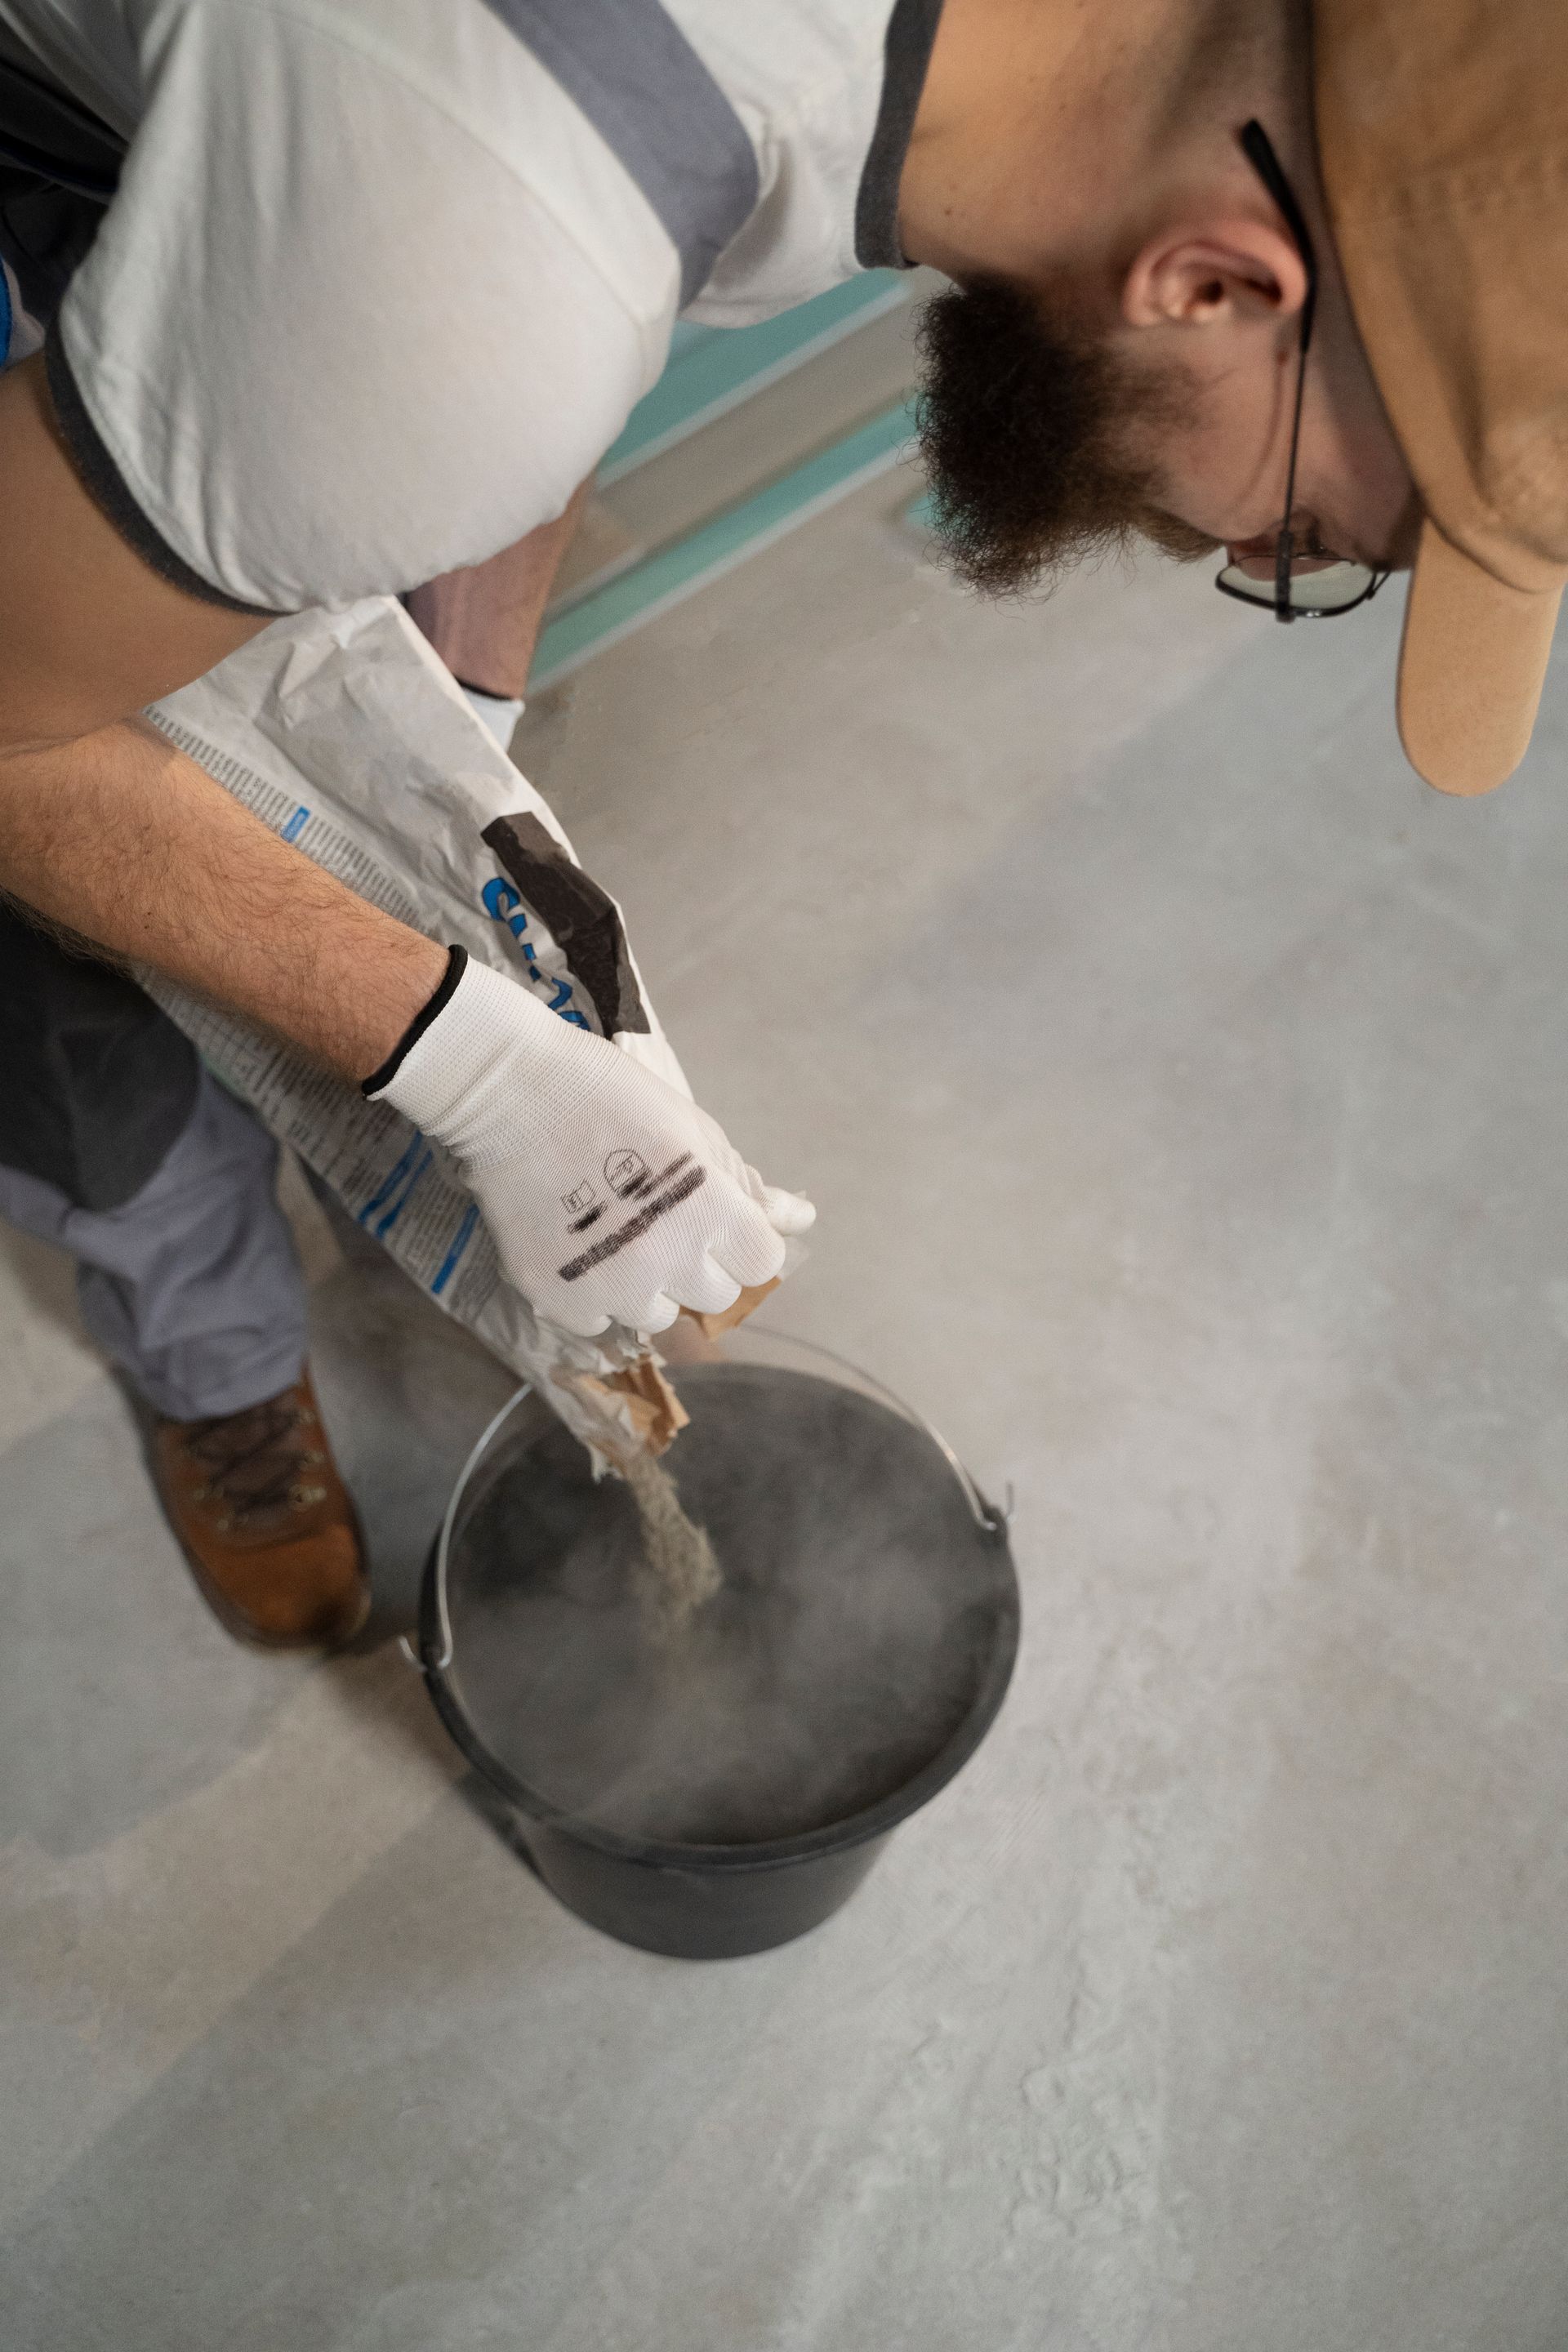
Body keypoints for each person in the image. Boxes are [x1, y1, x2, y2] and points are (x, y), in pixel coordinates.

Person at [0, 0, 1554, 1647]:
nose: (1233, 548)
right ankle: (217, 1365)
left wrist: (459, 736)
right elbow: (495, 302)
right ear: (1217, 284)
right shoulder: (479, 266)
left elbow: (576, 306)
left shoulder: (975, 86)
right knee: (77, 998)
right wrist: (471, 1069)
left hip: (300, 190)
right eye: (1309, 539)